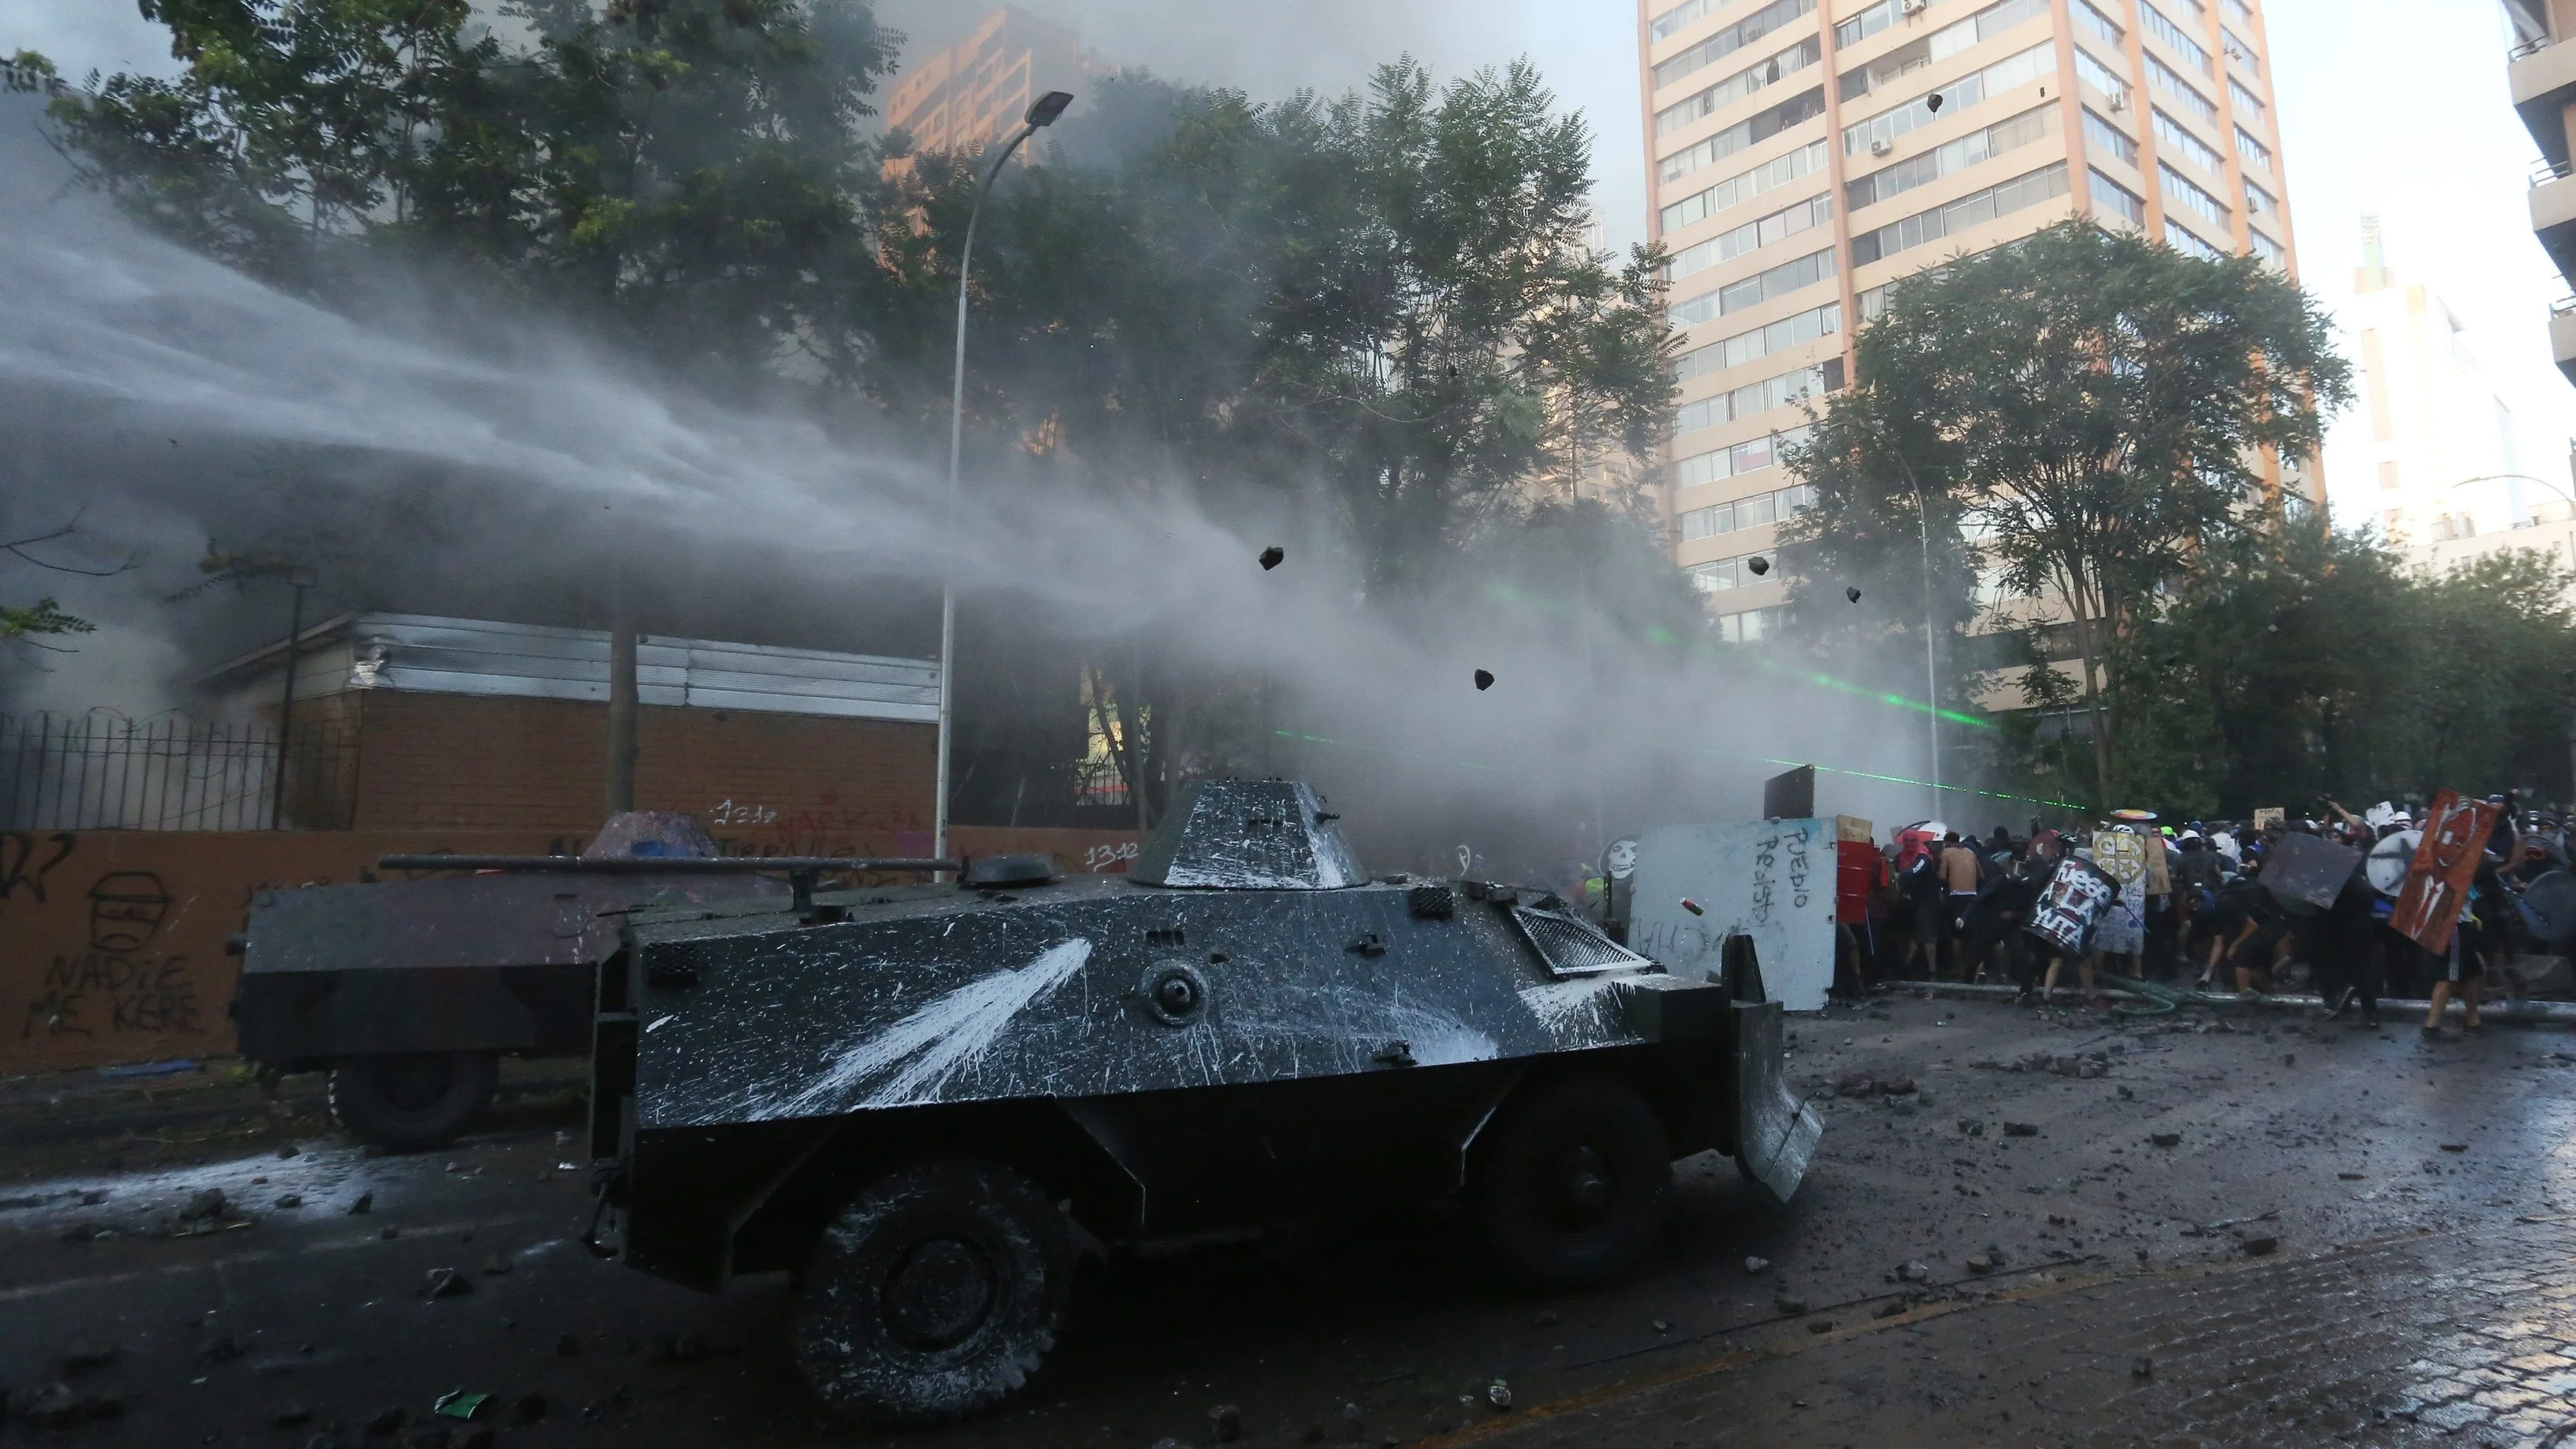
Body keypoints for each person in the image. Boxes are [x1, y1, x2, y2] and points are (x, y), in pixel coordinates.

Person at [1939, 831, 1984, 978]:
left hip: (1956, 897)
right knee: (1974, 937)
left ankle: (1960, 971)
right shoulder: (1971, 852)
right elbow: (1981, 875)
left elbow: (1942, 876)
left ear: (1947, 842)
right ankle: (1978, 971)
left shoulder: (1946, 852)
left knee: (1957, 938)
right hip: (1972, 897)